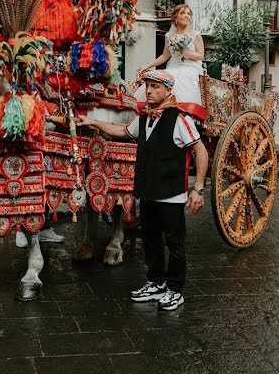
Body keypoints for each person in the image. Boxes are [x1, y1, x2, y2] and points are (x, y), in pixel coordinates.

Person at [77, 70, 208, 311]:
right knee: (151, 241)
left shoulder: (180, 119)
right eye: (147, 86)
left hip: (171, 195)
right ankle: (156, 283)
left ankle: (175, 289)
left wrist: (198, 189)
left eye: (155, 87)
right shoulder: (144, 118)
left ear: (168, 91)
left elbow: (200, 151)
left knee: (174, 243)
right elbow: (122, 131)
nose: (148, 91)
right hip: (148, 192)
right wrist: (93, 122)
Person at [136, 4, 206, 121]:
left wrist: (188, 53)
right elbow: (164, 56)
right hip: (173, 66)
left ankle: (181, 114)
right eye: (182, 13)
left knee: (179, 77)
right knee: (159, 77)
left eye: (188, 14)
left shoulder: (196, 35)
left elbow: (200, 56)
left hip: (190, 66)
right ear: (175, 17)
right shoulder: (169, 36)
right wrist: (147, 66)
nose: (186, 16)